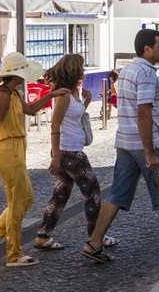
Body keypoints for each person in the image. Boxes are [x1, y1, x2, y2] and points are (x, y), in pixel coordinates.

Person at [83, 28, 159, 265]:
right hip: (147, 144)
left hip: (125, 142)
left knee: (116, 194)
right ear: (147, 49)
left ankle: (94, 243)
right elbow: (144, 112)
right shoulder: (147, 73)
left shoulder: (127, 70)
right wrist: (150, 152)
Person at [0, 53, 66, 267]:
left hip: (15, 151)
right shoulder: (2, 96)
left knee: (26, 199)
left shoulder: (12, 92)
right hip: (7, 151)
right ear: (17, 73)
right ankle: (14, 253)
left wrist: (52, 94)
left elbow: (31, 109)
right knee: (18, 201)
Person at [34, 54, 114, 252]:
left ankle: (43, 236)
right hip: (69, 152)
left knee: (60, 195)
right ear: (74, 71)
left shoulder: (73, 93)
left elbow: (73, 117)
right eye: (81, 68)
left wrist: (86, 101)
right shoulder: (63, 95)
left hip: (70, 149)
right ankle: (96, 236)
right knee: (93, 191)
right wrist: (56, 156)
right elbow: (55, 125)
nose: (84, 71)